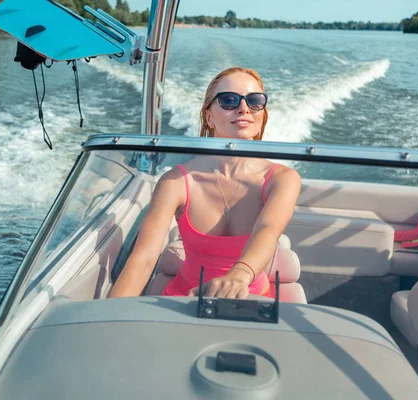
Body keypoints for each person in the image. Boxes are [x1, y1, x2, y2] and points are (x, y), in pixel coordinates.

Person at [108, 67, 301, 299]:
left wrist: (239, 275)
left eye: (255, 101)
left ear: (262, 115)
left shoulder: (283, 180)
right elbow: (144, 258)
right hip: (184, 300)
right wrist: (108, 317)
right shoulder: (175, 182)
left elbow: (268, 231)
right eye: (229, 100)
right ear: (209, 116)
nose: (244, 108)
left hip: (252, 300)